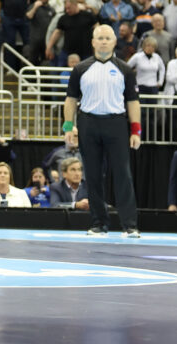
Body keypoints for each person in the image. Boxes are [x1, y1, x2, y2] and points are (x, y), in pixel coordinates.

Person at [63, 24, 142, 237]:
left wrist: (136, 131)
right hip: (89, 123)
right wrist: (68, 127)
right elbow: (70, 100)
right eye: (100, 38)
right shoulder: (80, 69)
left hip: (116, 123)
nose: (104, 41)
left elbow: (133, 102)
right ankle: (99, 223)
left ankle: (130, 225)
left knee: (123, 174)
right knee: (93, 175)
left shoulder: (125, 69)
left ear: (115, 42)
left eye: (108, 38)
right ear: (93, 42)